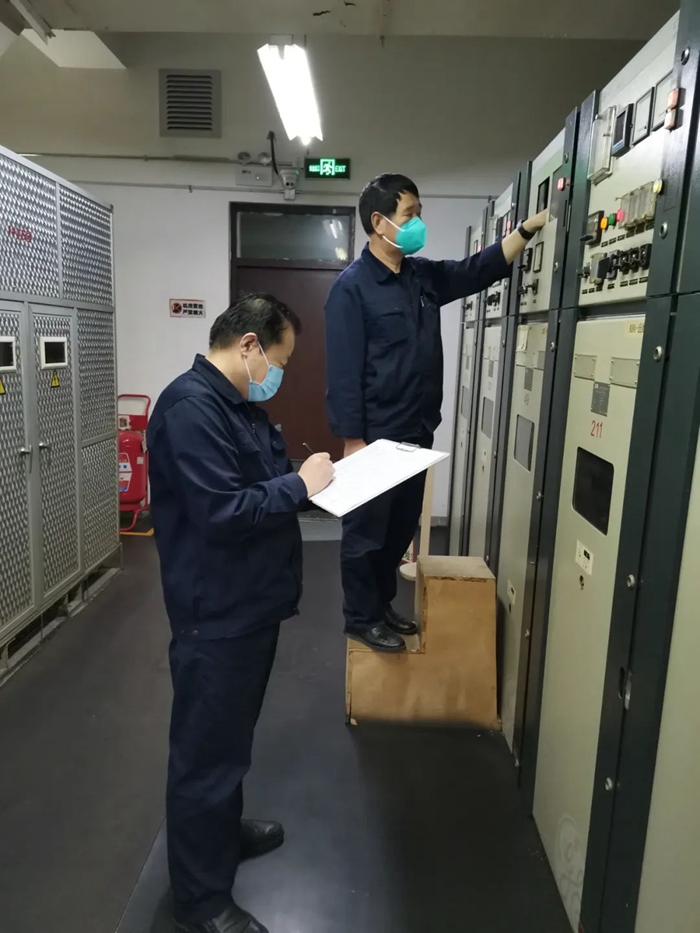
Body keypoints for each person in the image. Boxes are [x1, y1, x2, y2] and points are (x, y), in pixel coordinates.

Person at [147, 294, 334, 933]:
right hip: (215, 612)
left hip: (248, 605)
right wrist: (299, 486)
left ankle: (221, 835)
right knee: (206, 755)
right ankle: (201, 902)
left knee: (230, 742)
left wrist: (307, 485)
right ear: (249, 345)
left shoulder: (236, 406)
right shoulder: (190, 410)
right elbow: (222, 513)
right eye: (278, 361)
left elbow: (255, 484)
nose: (277, 375)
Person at [325, 173, 547, 652]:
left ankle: (381, 605)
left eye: (419, 213)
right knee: (366, 534)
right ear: (379, 222)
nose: (418, 223)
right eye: (410, 215)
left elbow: (475, 270)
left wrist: (525, 230)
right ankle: (360, 618)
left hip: (416, 429)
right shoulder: (352, 288)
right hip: (375, 434)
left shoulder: (421, 276)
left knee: (398, 530)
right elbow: (343, 370)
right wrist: (352, 440)